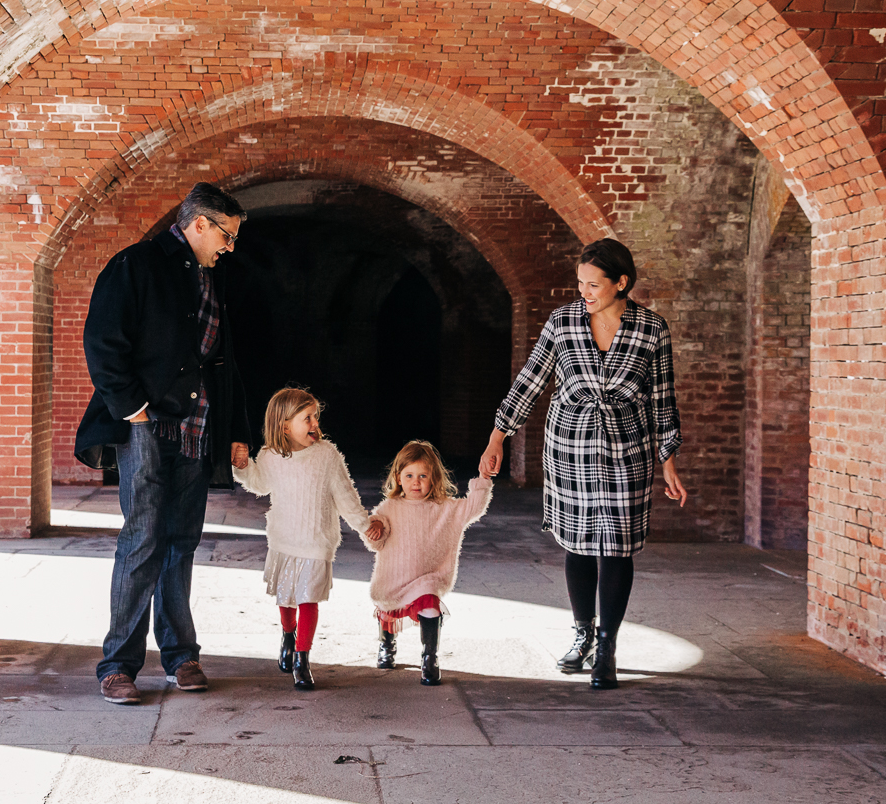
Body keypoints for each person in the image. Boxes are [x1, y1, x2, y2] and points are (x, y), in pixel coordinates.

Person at [479, 237, 686, 690]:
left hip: (628, 447)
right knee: (578, 543)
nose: (585, 292)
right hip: (569, 446)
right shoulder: (563, 322)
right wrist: (498, 436)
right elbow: (530, 381)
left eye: (594, 284)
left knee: (617, 545)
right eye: (581, 283)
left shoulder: (653, 329)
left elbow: (662, 399)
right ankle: (583, 634)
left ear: (621, 283)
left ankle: (607, 645)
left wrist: (668, 459)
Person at [75, 182, 253, 706]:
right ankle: (118, 665)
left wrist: (238, 428)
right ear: (199, 224)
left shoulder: (211, 280)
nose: (230, 246)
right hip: (145, 426)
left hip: (197, 428)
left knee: (183, 539)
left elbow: (224, 361)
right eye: (227, 235)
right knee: (144, 537)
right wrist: (133, 409)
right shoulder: (136, 265)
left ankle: (181, 655)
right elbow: (103, 341)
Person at [231, 388, 385, 691]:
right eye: (307, 418)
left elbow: (345, 495)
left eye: (316, 416)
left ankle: (302, 658)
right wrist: (244, 466)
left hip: (317, 540)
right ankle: (288, 635)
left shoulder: (327, 455)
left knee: (308, 598)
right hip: (284, 540)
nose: (315, 423)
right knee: (286, 597)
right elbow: (259, 484)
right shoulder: (270, 456)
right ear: (285, 425)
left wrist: (364, 524)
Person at [364, 440, 493, 686]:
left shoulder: (444, 508)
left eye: (423, 475)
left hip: (428, 577)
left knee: (430, 605)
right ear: (398, 478)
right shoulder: (390, 507)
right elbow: (378, 530)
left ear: (434, 479)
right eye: (410, 475)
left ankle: (429, 658)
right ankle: (386, 646)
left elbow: (473, 507)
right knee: (388, 611)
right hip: (395, 575)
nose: (416, 481)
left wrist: (483, 478)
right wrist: (376, 527)